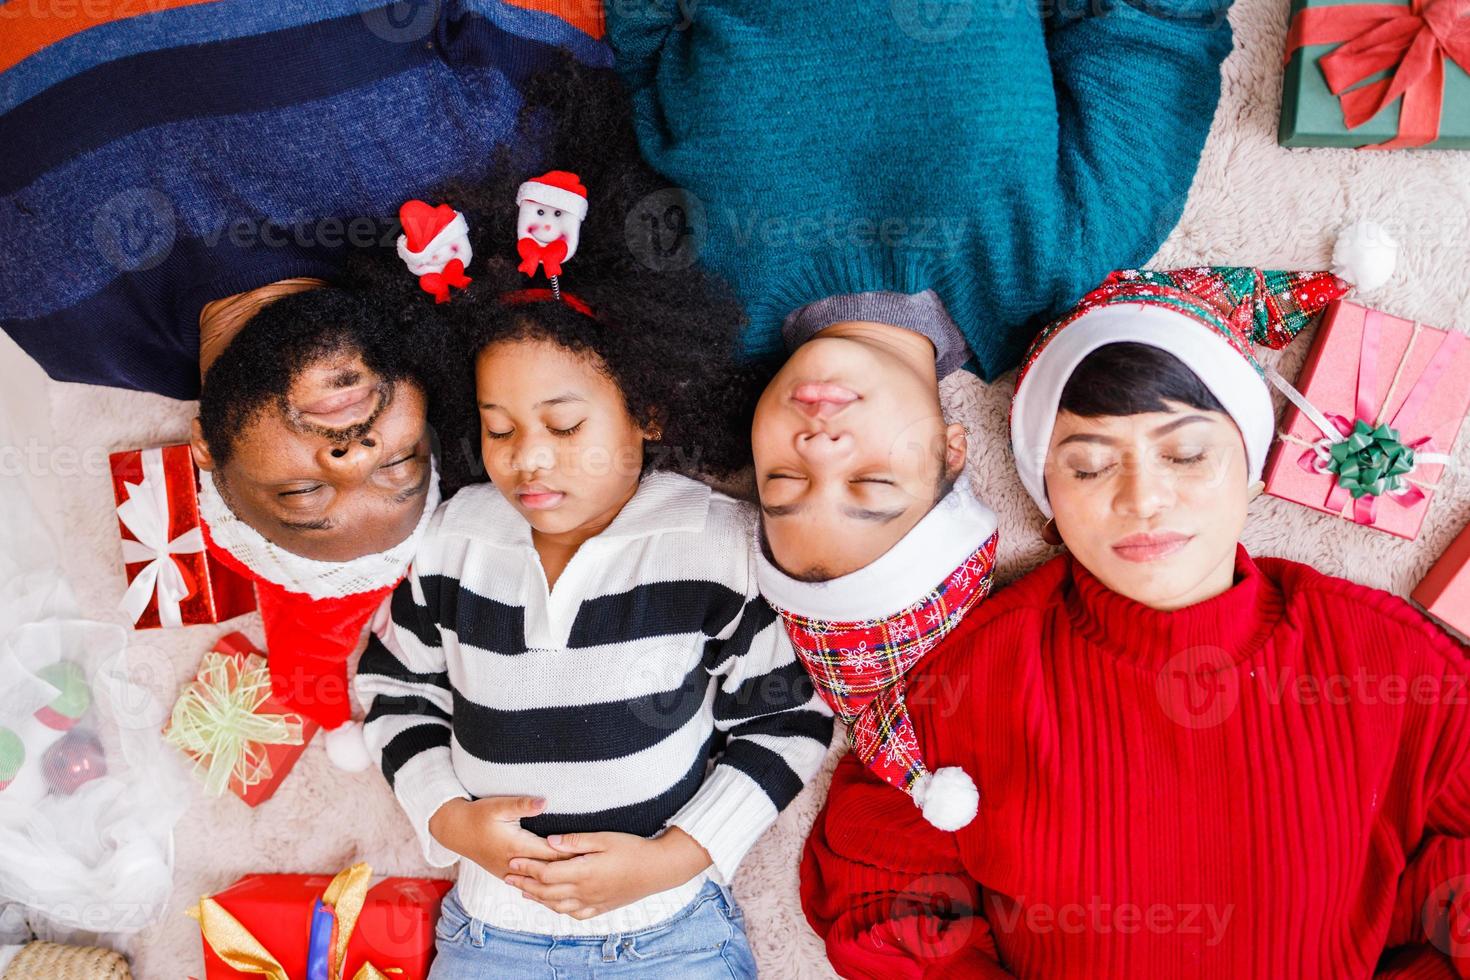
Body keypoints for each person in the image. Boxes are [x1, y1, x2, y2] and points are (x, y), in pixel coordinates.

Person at [799, 235, 1470, 978]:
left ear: (1251, 468)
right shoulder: (972, 679)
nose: (1143, 499)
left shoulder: (1389, 665)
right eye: (1089, 465)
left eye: (1186, 455)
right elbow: (877, 891)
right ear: (1046, 496)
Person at [354, 143, 833, 978]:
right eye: (499, 429)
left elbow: (788, 715)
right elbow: (391, 688)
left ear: (645, 410)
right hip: (494, 935)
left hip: (667, 931)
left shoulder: (713, 544)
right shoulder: (456, 541)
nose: (526, 459)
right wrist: (445, 818)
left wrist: (681, 855)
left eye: (564, 427)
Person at [607, 0, 1236, 583]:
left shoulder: (691, 300)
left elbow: (642, 66)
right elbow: (1157, 29)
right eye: (872, 482)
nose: (820, 448)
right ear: (952, 450)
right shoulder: (1057, 263)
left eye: (783, 480)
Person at [0, 0, 608, 567]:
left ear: (206, 449)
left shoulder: (52, 319)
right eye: (401, 463)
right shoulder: (487, 159)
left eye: (304, 491)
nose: (357, 456)